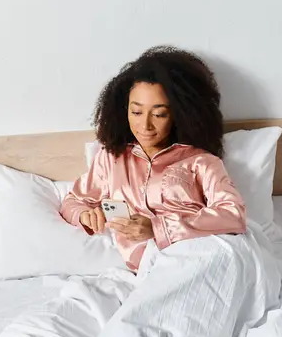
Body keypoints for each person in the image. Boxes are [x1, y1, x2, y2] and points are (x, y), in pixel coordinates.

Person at [60, 46, 246, 271]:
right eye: (136, 112)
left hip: (199, 256)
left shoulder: (201, 161)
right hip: (150, 266)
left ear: (180, 113)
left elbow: (232, 214)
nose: (145, 125)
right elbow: (73, 202)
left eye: (159, 114)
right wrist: (85, 216)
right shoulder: (111, 159)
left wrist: (158, 228)